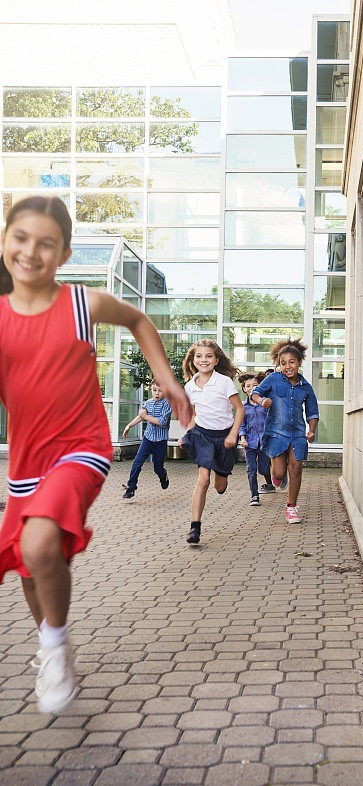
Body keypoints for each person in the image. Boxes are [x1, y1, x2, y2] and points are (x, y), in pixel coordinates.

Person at [0, 195, 191, 715]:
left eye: (46, 243)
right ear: (4, 242)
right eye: (21, 239)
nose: (31, 252)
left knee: (41, 547)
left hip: (82, 448)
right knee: (31, 565)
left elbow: (138, 321)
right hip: (25, 462)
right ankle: (52, 643)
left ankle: (55, 648)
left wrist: (167, 379)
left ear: (63, 254)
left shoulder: (82, 304)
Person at [178, 339, 244, 544]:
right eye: (199, 356)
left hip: (224, 437)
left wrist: (233, 435)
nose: (203, 359)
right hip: (202, 436)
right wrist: (187, 434)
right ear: (193, 359)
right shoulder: (190, 387)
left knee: (219, 486)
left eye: (208, 356)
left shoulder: (224, 382)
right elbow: (193, 414)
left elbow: (239, 410)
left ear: (216, 360)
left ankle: (222, 474)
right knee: (203, 479)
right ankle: (194, 528)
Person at [251, 337, 319, 524]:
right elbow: (255, 393)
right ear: (278, 364)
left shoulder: (306, 386)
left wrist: (311, 431)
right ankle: (277, 476)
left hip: (297, 434)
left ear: (299, 362)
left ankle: (291, 507)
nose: (288, 366)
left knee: (296, 468)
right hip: (276, 433)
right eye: (283, 363)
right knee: (280, 474)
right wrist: (261, 401)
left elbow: (313, 412)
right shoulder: (273, 379)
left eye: (292, 362)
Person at [122, 378, 172, 499]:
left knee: (158, 468)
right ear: (151, 389)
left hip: (160, 441)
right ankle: (131, 487)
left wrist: (146, 416)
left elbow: (161, 422)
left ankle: (163, 476)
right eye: (154, 390)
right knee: (137, 463)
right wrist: (129, 425)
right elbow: (140, 417)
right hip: (148, 439)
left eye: (160, 391)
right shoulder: (148, 403)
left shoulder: (167, 404)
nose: (157, 393)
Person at [238, 372, 275, 506]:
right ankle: (254, 496)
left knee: (263, 469)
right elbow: (241, 424)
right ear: (244, 389)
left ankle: (270, 483)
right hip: (250, 442)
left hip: (265, 442)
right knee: (251, 470)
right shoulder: (242, 406)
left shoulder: (265, 403)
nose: (251, 387)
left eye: (255, 385)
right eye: (248, 386)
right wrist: (242, 438)